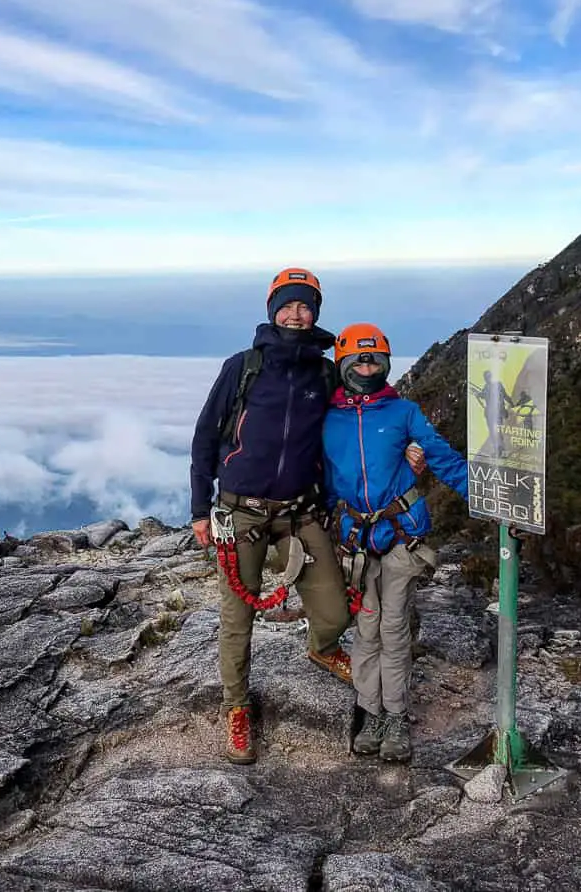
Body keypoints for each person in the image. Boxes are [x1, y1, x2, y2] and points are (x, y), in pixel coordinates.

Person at [190, 268, 353, 765]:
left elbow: (349, 431)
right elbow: (203, 439)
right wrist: (201, 509)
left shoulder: (324, 374)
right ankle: (236, 707)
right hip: (240, 514)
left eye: (305, 306)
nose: (296, 314)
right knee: (237, 618)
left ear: (316, 312)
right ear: (272, 310)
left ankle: (322, 646)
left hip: (301, 513)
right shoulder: (243, 368)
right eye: (288, 305)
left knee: (335, 613)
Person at [322, 323, 468, 762]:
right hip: (357, 543)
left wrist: (491, 502)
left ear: (385, 365)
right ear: (343, 365)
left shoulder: (403, 412)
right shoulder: (328, 420)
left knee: (393, 626)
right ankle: (370, 712)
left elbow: (444, 459)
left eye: (374, 360)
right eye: (358, 360)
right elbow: (323, 480)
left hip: (402, 537)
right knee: (367, 630)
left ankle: (396, 715)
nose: (366, 367)